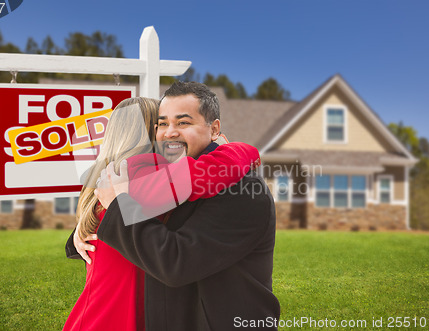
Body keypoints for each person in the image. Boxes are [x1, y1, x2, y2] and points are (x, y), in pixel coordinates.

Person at [71, 82, 280, 330]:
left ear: (214, 129)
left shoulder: (242, 191)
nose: (169, 132)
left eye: (183, 122)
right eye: (161, 124)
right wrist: (81, 231)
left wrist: (115, 207)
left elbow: (175, 262)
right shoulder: (154, 181)